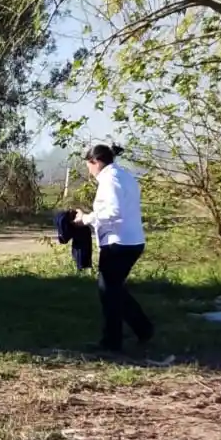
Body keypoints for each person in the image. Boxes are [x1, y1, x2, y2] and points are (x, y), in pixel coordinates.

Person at [75, 143, 154, 352]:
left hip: (119, 242)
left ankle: (112, 342)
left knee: (108, 291)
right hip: (131, 240)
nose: (89, 171)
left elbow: (114, 211)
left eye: (88, 165)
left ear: (96, 162)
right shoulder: (123, 175)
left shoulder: (110, 179)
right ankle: (143, 328)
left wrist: (86, 219)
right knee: (114, 289)